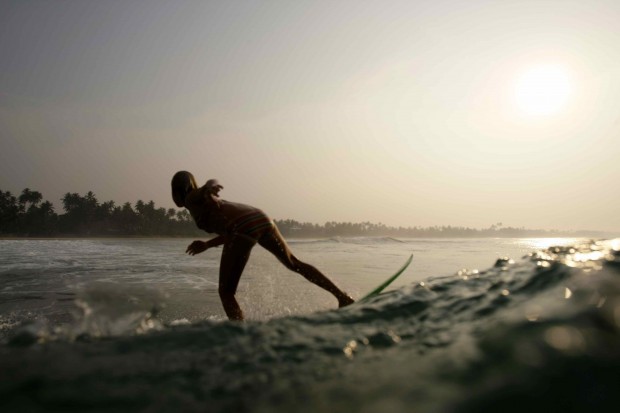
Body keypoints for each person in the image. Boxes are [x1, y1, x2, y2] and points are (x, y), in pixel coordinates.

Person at [171, 171, 354, 321]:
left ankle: (239, 333)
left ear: (179, 190)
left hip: (242, 226)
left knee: (226, 292)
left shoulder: (191, 198)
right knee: (293, 262)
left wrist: (209, 186)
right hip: (260, 218)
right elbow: (230, 235)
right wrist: (207, 244)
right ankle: (342, 297)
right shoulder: (202, 200)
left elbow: (210, 184)